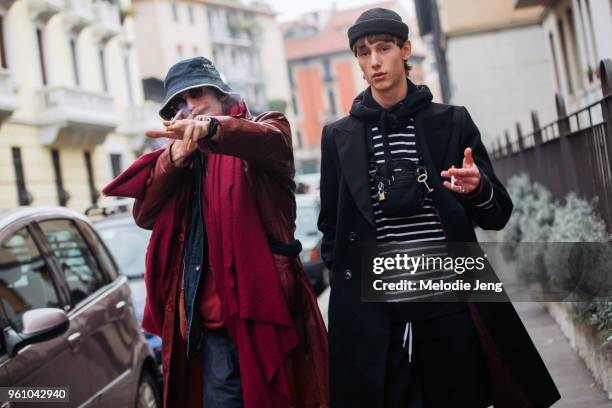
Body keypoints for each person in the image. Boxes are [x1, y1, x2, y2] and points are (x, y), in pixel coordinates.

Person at [317, 8, 561, 408]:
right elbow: (332, 225)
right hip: (378, 319)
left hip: (450, 309)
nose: (374, 61)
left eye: (383, 48)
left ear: (405, 50)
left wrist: (477, 187)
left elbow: (497, 214)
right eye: (363, 52)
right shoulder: (338, 136)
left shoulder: (450, 122)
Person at [103, 57, 328, 408]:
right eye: (180, 103)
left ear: (220, 93)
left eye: (196, 93)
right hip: (212, 331)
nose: (190, 107)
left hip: (267, 315)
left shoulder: (266, 127)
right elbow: (145, 214)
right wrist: (172, 160)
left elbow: (270, 142)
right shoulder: (183, 159)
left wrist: (212, 129)